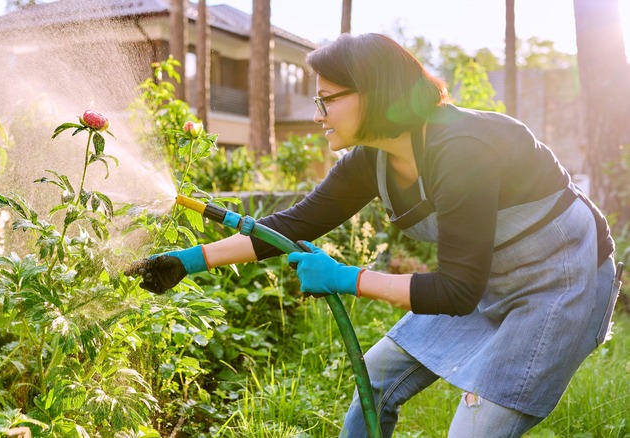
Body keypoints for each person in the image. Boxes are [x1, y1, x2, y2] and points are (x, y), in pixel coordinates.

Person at [127, 33, 619, 437]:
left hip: (560, 284)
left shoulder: (462, 149)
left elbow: (456, 290)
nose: (318, 115)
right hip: (490, 280)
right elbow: (292, 225)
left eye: (327, 100)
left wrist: (346, 277)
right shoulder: (371, 161)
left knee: (471, 431)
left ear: (374, 92)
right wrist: (187, 261)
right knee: (375, 383)